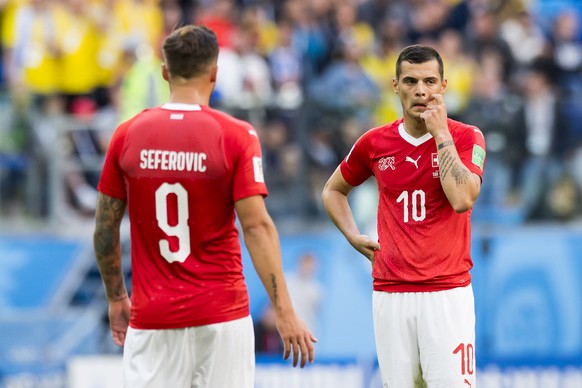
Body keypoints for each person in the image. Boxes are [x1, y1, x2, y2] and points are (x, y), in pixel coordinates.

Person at [93, 25, 316, 388]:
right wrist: (285, 311)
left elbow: (104, 227)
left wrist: (117, 296)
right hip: (222, 316)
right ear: (214, 72)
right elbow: (256, 228)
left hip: (153, 317)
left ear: (165, 72)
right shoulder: (236, 136)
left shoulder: (127, 134)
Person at [321, 44, 486, 387]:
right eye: (410, 81)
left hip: (446, 293)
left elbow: (463, 199)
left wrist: (440, 133)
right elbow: (333, 190)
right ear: (395, 85)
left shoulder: (467, 137)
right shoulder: (374, 143)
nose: (420, 90)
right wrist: (353, 235)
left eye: (429, 81)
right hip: (390, 293)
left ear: (443, 85)